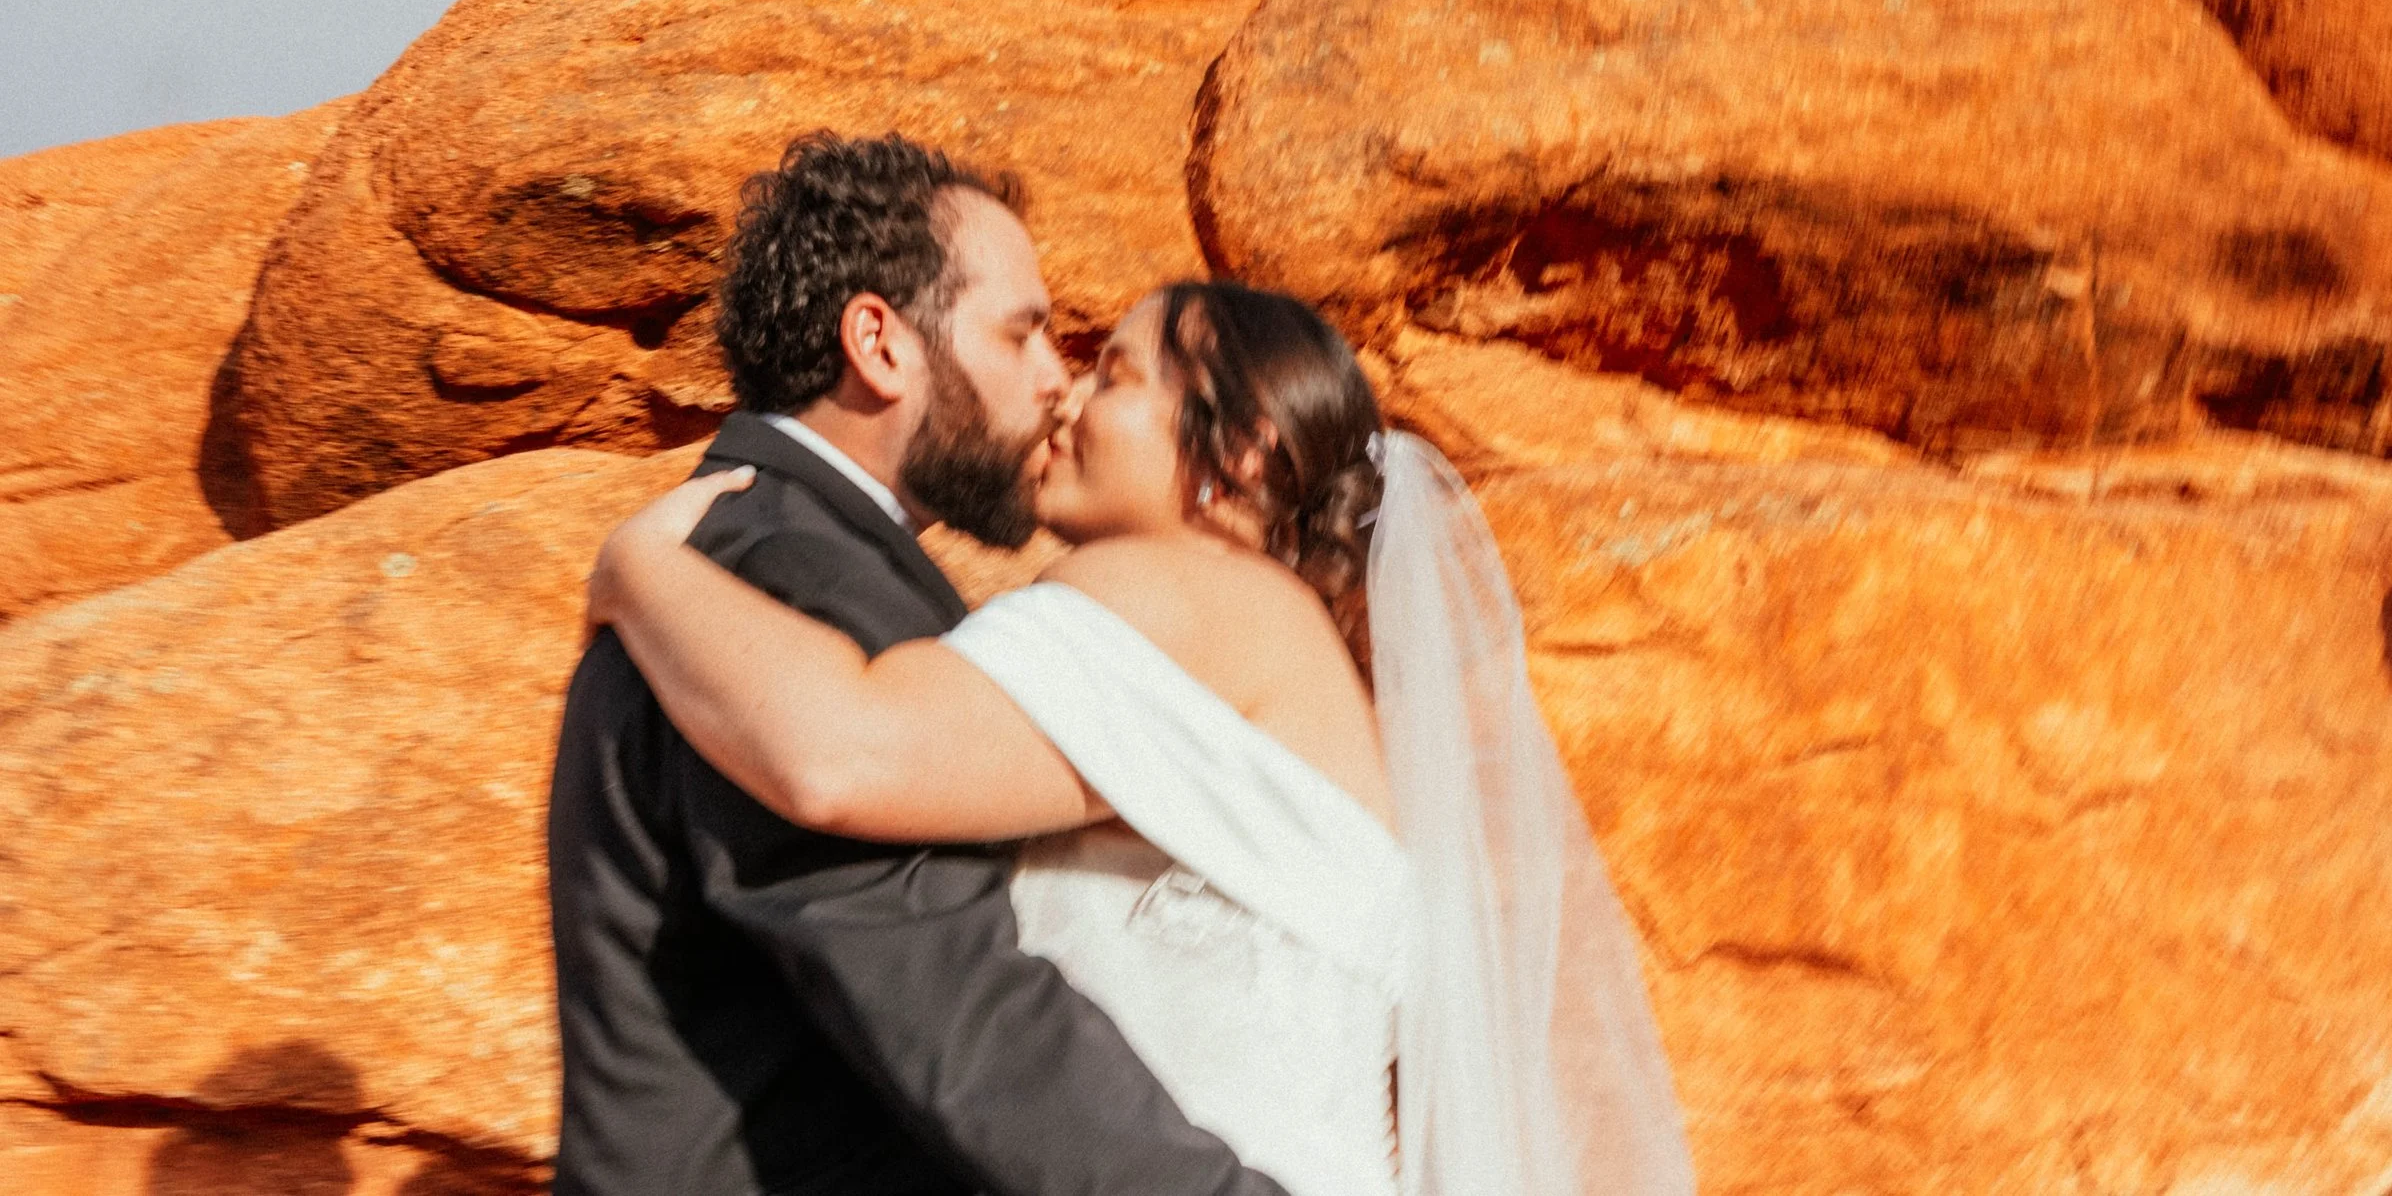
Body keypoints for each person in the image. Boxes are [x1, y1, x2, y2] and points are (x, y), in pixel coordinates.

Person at [589, 269, 1699, 1191]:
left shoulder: (1190, 589)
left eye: (1115, 372)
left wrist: (637, 569)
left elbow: (840, 752)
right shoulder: (1291, 647)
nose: (1065, 394)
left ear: (1242, 456)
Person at [545, 133, 1292, 1196]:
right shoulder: (790, 578)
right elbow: (954, 1004)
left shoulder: (738, 554)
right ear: (879, 343)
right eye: (1023, 331)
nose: (1057, 382)